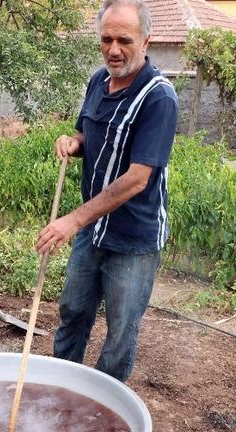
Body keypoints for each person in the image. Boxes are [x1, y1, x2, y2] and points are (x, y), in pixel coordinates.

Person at [35, 0, 178, 381]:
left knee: (120, 333)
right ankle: (61, 388)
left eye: (124, 40)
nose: (114, 49)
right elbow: (86, 134)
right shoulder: (98, 81)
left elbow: (138, 178)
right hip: (94, 229)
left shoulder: (159, 98)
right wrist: (73, 143)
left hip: (133, 239)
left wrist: (73, 221)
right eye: (106, 39)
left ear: (145, 41)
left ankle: (104, 406)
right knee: (73, 312)